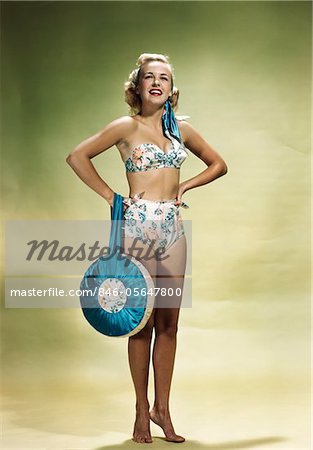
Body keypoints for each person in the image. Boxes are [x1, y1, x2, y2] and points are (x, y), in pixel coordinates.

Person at [66, 52, 228, 444]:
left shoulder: (181, 131)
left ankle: (163, 410)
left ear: (172, 90)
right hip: (136, 227)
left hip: (172, 231)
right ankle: (141, 411)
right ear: (137, 86)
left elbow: (218, 164)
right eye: (149, 76)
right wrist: (111, 197)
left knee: (169, 324)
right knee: (140, 322)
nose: (157, 82)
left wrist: (185, 186)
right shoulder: (126, 126)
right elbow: (77, 156)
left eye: (165, 78)